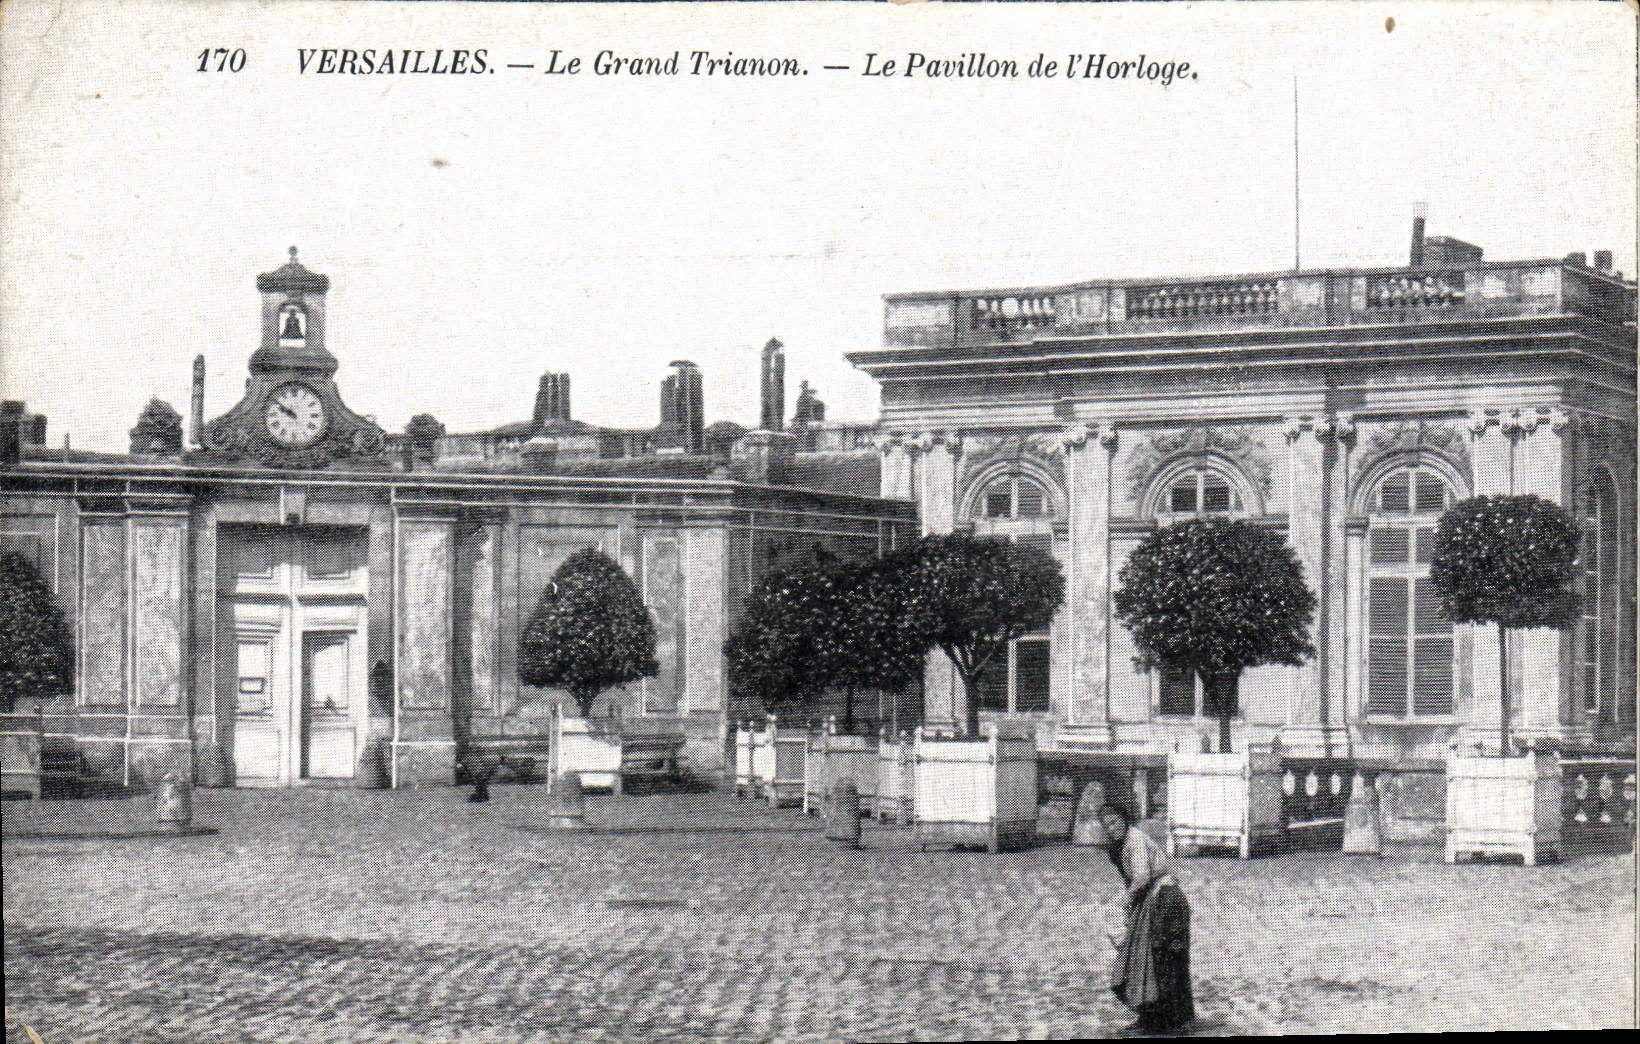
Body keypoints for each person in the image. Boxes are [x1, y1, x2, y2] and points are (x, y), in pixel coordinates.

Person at [1099, 804, 1195, 1035]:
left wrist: (1127, 899)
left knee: (1166, 960)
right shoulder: (1121, 846)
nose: (1112, 828)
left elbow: (1141, 876)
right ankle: (1152, 1016)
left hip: (1166, 900)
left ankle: (1175, 1020)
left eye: (1115, 822)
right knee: (1142, 960)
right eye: (1107, 826)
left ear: (1124, 819)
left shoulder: (1135, 840)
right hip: (1151, 900)